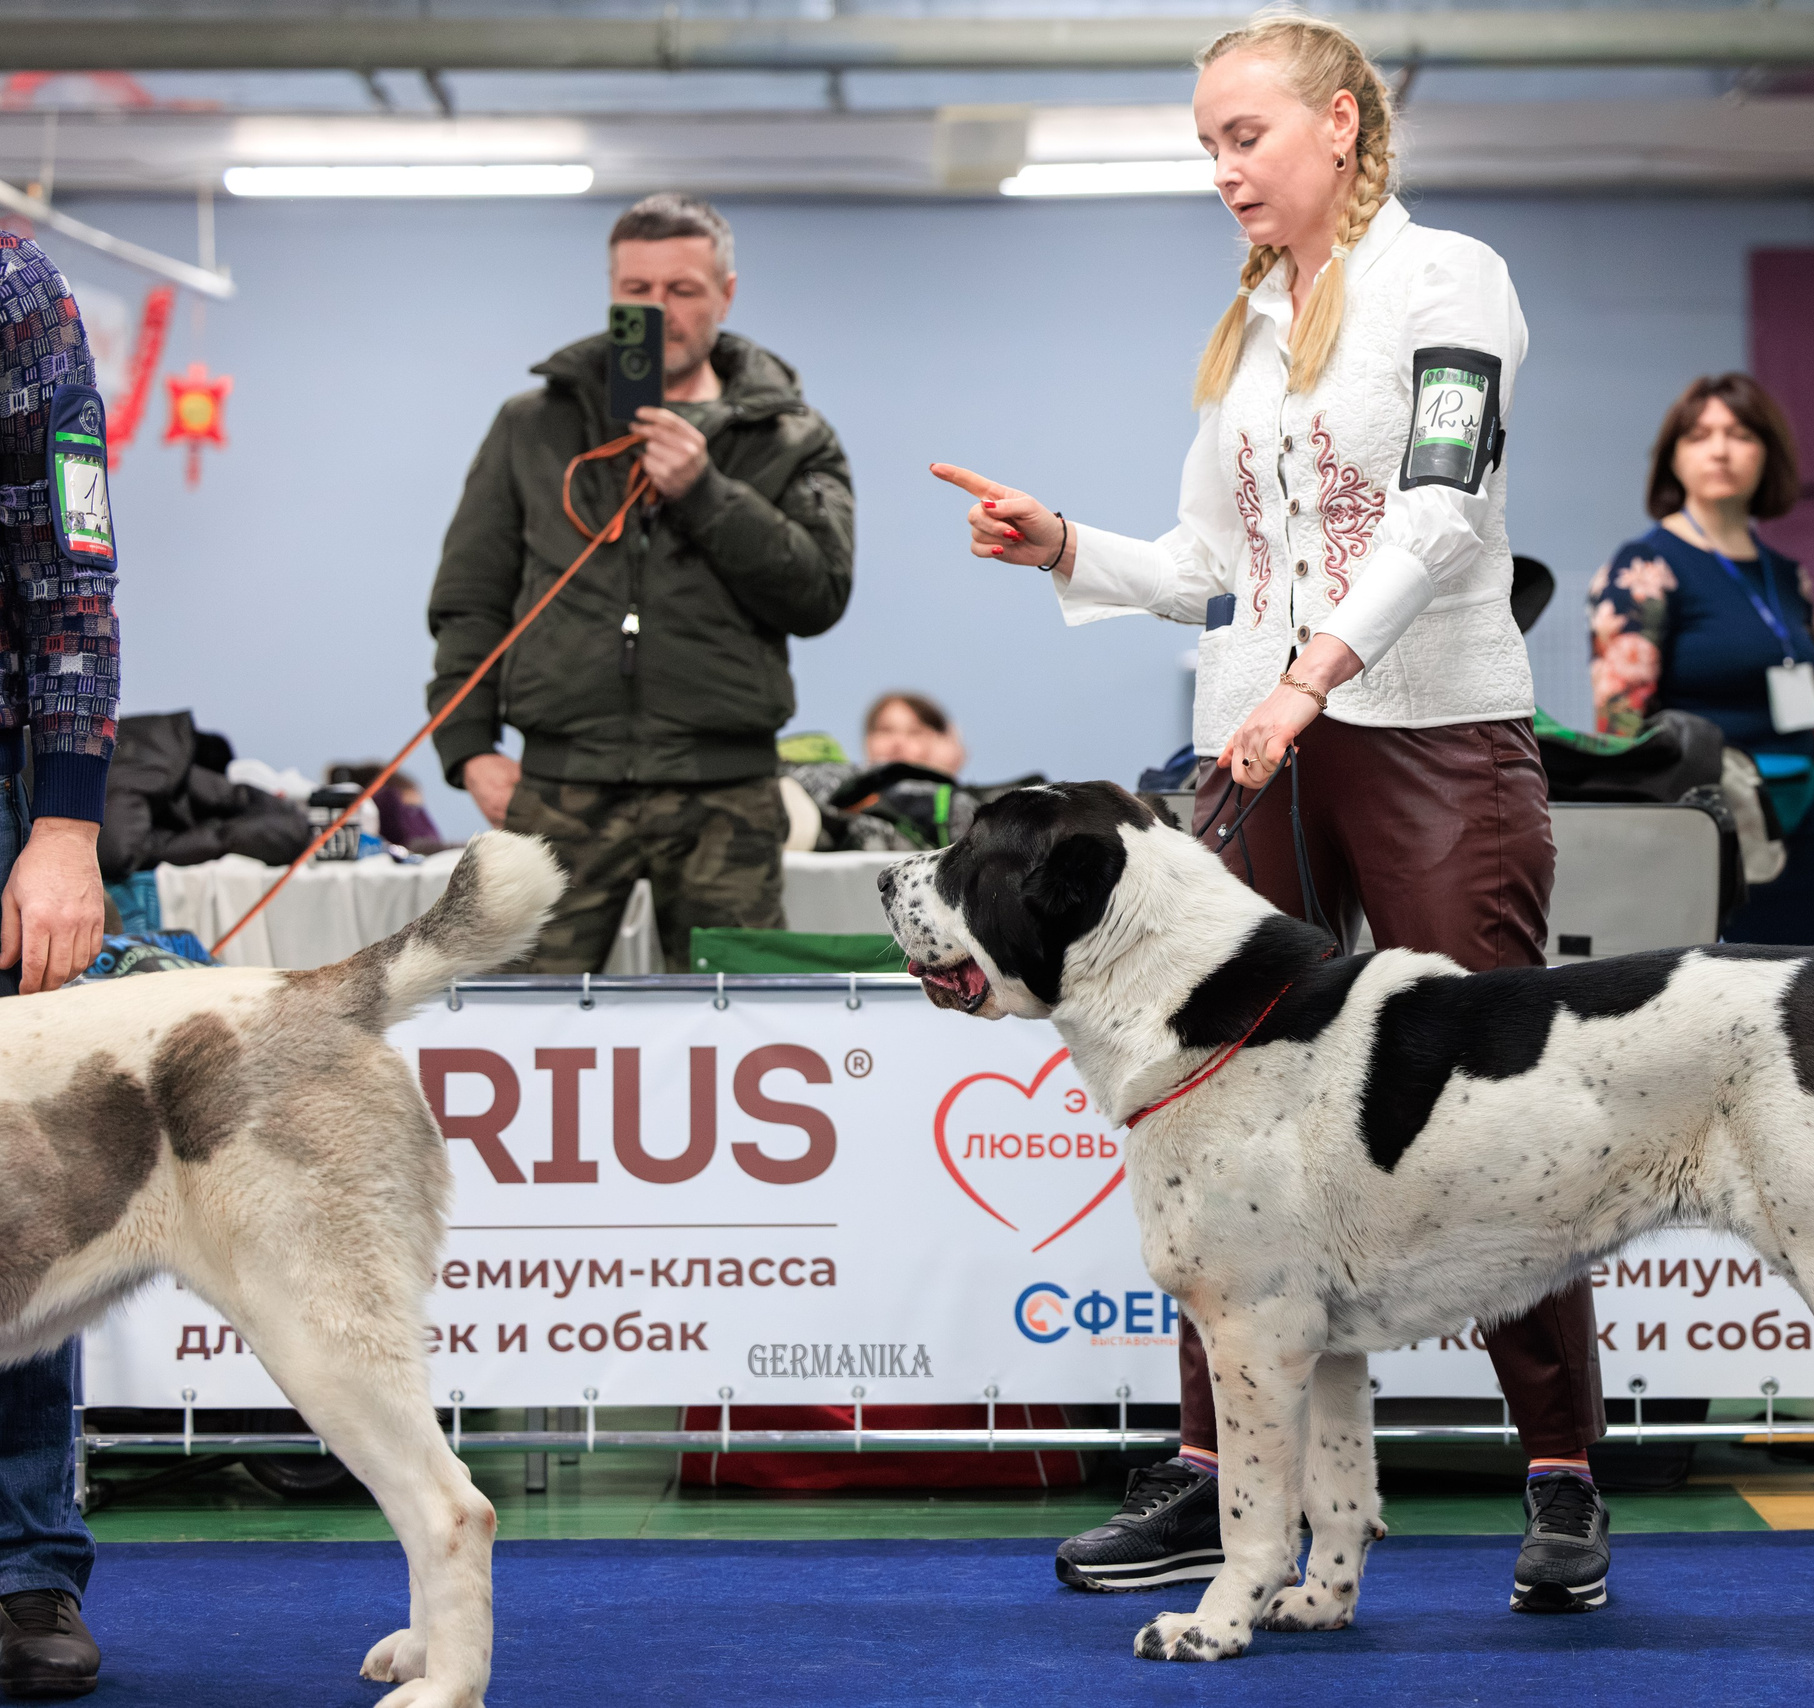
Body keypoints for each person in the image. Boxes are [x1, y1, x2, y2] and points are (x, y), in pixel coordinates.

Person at [928, 13, 1613, 1614]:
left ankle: (1562, 1472)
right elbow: (1206, 569)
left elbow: (1442, 512)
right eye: (1208, 147)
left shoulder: (1451, 281)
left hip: (1428, 736)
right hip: (1258, 740)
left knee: (1495, 1097)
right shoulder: (1246, 324)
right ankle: (1216, 1479)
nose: (1223, 171)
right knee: (1213, 1108)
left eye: (1246, 137)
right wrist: (1066, 547)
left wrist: (1311, 678)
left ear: (1342, 125)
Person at [426, 193, 854, 972]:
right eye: (637, 292)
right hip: (561, 782)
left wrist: (706, 492)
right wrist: (468, 749)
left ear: (726, 294)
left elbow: (820, 593)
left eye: (682, 290)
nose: (659, 312)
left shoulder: (790, 435)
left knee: (739, 1016)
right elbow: (471, 599)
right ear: (613, 292)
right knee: (526, 1017)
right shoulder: (532, 425)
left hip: (725, 788)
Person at [0, 230, 122, 1699]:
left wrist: (65, 826)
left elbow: (72, 569)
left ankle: (24, 1567)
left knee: (14, 1199)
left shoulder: (16, 292)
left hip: (0, 794)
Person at [1591, 373, 1814, 946]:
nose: (1721, 450)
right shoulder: (1643, 570)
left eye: (1740, 434)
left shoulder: (1790, 577)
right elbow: (1621, 733)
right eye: (1700, 435)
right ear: (1673, 458)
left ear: (1767, 453)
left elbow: (1813, 726)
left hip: (1807, 824)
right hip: (1708, 830)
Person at [863, 691, 966, 777]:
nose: (898, 742)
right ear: (868, 741)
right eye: (886, 730)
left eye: (914, 733)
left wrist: (942, 775)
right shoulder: (854, 793)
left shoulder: (960, 795)